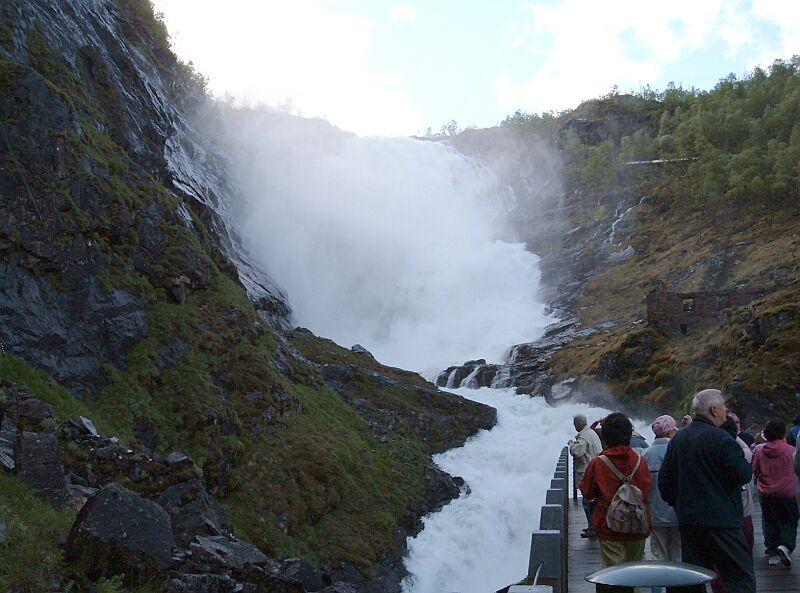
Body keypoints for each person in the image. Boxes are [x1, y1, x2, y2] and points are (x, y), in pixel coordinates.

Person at [659, 389, 755, 593]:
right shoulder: (722, 439)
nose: (725, 412)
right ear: (713, 410)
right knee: (738, 576)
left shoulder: (679, 439)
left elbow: (665, 482)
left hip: (690, 522)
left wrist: (679, 504)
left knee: (693, 578)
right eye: (724, 408)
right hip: (724, 522)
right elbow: (744, 474)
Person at [580, 412, 652, 577]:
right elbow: (647, 489)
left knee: (613, 574)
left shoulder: (598, 462)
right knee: (635, 572)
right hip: (638, 523)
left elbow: (586, 491)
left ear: (605, 436)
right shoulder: (640, 460)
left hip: (609, 524)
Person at [752, 419, 798, 567]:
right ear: (783, 433)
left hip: (767, 493)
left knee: (770, 521)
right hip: (787, 493)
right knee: (789, 521)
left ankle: (772, 550)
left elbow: (755, 470)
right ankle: (785, 546)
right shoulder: (791, 450)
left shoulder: (760, 451)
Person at [643, 415, 681, 562]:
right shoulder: (679, 450)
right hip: (678, 511)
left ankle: (658, 584)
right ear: (670, 432)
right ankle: (680, 583)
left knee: (658, 553)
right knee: (678, 551)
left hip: (655, 512)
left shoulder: (646, 455)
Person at [721, 415, 756, 554]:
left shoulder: (712, 448)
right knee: (746, 539)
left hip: (719, 510)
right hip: (742, 505)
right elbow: (747, 453)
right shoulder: (740, 450)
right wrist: (734, 436)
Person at [568, 413, 603, 538]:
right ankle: (592, 526)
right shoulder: (591, 433)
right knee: (592, 501)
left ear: (578, 424)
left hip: (587, 472)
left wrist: (571, 444)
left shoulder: (584, 436)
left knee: (588, 501)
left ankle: (593, 528)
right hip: (595, 470)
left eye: (574, 424)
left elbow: (577, 451)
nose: (574, 426)